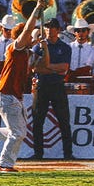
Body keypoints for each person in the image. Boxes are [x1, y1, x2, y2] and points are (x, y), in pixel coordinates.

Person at [0, 1, 43, 172]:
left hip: (11, 95)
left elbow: (29, 43)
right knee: (18, 133)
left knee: (19, 131)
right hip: (7, 94)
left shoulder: (23, 50)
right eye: (28, 37)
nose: (31, 38)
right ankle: (3, 164)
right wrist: (36, 11)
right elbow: (26, 32)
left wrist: (36, 42)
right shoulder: (15, 47)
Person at [31, 17, 74, 160]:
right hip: (42, 85)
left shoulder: (65, 47)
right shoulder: (39, 47)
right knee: (38, 120)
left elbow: (64, 68)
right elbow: (35, 68)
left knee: (64, 120)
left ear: (58, 30)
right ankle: (38, 154)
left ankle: (68, 154)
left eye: (52, 27)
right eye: (47, 27)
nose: (49, 30)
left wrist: (47, 66)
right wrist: (54, 69)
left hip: (57, 85)